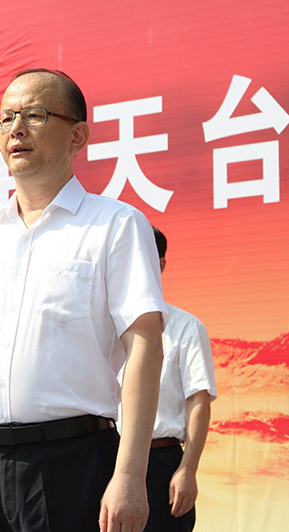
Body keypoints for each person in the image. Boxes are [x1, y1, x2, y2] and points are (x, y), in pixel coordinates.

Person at [0, 68, 168, 532]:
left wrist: (130, 474)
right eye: (5, 118)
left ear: (78, 136)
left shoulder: (115, 225)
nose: (15, 129)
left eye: (34, 115)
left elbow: (145, 348)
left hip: (71, 462)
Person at [118, 227, 216, 532]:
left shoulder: (186, 326)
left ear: (159, 264)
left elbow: (199, 401)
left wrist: (188, 469)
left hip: (161, 462)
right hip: (107, 457)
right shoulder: (104, 327)